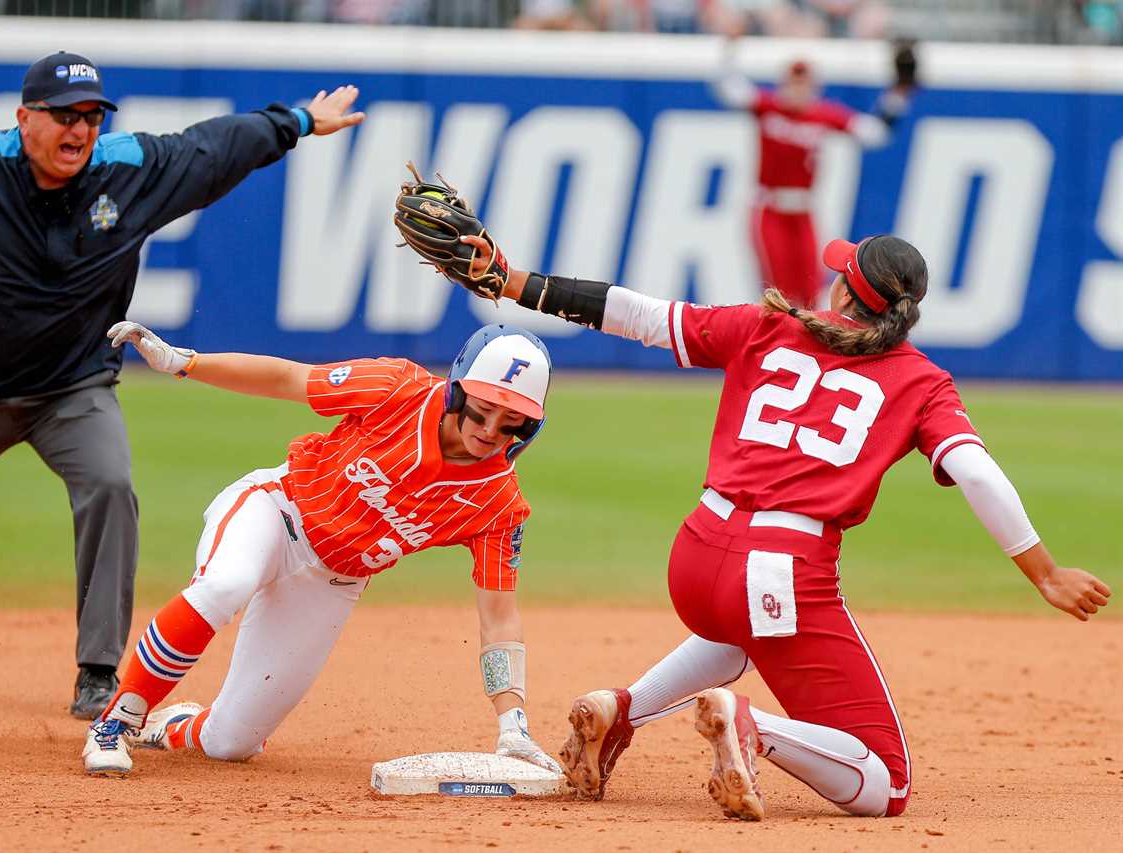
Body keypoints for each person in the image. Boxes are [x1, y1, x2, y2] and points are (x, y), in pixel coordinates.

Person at [441, 229, 1111, 819]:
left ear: (845, 295)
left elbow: (638, 314)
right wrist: (1044, 571)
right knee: (888, 780)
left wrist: (512, 279)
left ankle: (621, 708)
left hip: (698, 551)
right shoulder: (923, 380)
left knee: (740, 637)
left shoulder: (767, 325)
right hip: (782, 568)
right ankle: (752, 727)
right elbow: (977, 472)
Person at [0, 52, 363, 718]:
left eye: (91, 116)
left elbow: (211, 150)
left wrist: (294, 121)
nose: (80, 130)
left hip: (72, 390)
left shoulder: (127, 170)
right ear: (24, 118)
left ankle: (97, 670)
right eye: (64, 115)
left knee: (110, 485)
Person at [80, 322, 562, 779]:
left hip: (333, 580)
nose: (490, 428)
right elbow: (290, 378)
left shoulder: (498, 503)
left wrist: (512, 723)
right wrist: (186, 362)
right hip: (277, 511)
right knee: (226, 585)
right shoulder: (397, 388)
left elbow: (499, 619)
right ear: (457, 390)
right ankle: (118, 721)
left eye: (511, 421)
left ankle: (174, 726)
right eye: (482, 408)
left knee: (232, 743)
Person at [713, 45, 912, 308]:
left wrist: (898, 92)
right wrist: (730, 47)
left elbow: (875, 133)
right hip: (770, 209)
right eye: (793, 83)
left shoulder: (822, 115)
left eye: (804, 83)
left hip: (803, 214)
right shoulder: (768, 107)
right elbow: (729, 89)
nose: (798, 90)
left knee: (811, 293)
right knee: (778, 295)